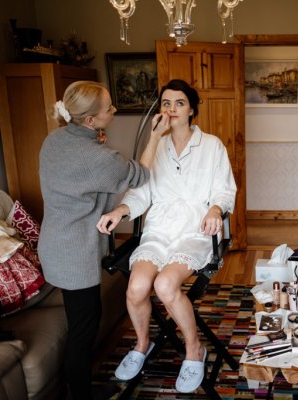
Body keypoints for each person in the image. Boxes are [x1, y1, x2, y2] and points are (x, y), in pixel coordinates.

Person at [96, 79, 236, 393]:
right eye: (166, 103)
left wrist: (215, 210)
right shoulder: (154, 147)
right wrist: (121, 211)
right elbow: (140, 193)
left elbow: (224, 190)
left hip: (194, 231)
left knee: (165, 284)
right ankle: (142, 345)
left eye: (180, 103)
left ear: (192, 110)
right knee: (137, 287)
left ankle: (193, 349)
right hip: (158, 230)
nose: (172, 109)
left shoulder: (212, 146)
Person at [38, 80, 166, 400]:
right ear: (90, 120)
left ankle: (76, 387)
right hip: (74, 253)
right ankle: (80, 395)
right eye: (109, 108)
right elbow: (141, 173)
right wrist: (155, 137)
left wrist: (97, 139)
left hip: (53, 243)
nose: (115, 110)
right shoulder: (97, 157)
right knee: (84, 329)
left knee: (80, 319)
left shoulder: (54, 141)